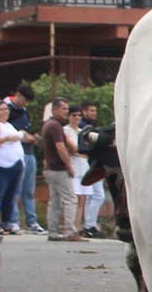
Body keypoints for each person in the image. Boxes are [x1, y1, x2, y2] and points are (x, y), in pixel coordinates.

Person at [40, 98, 80, 242]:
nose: (66, 112)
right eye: (64, 109)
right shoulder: (55, 126)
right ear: (55, 109)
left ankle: (53, 232)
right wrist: (69, 166)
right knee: (70, 199)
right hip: (59, 169)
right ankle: (70, 232)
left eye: (67, 109)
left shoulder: (48, 125)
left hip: (51, 168)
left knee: (55, 201)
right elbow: (60, 147)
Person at [5, 82, 42, 232]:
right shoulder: (6, 108)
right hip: (14, 154)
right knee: (16, 190)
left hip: (29, 152)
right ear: (18, 95)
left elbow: (24, 130)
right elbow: (4, 131)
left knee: (29, 190)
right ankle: (13, 221)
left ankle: (31, 221)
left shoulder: (24, 111)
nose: (25, 104)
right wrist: (21, 137)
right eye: (24, 100)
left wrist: (31, 137)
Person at [0, 98, 25, 235]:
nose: (5, 112)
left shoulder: (9, 126)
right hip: (2, 165)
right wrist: (7, 139)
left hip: (16, 165)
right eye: (2, 109)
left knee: (11, 197)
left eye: (7, 109)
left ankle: (7, 223)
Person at [75, 102, 106, 237]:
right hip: (88, 165)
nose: (94, 113)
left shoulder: (89, 126)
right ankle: (90, 225)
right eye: (91, 110)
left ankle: (89, 225)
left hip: (89, 164)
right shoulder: (84, 127)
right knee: (98, 196)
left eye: (95, 111)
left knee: (91, 197)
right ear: (84, 111)